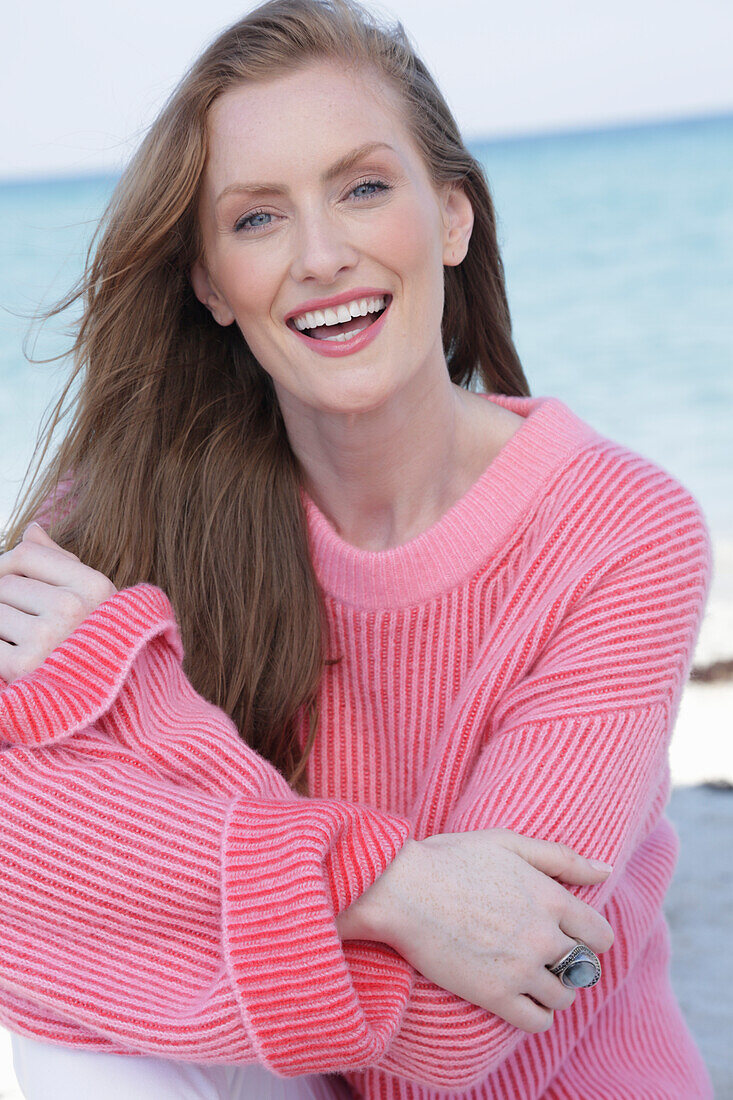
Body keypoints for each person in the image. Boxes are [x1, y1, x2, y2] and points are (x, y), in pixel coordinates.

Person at [0, 0, 713, 1096]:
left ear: (453, 219)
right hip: (299, 1062)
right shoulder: (126, 505)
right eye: (255, 219)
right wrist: (393, 885)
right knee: (43, 1042)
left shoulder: (621, 532)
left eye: (363, 187)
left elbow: (447, 1041)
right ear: (207, 284)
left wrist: (148, 712)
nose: (321, 256)